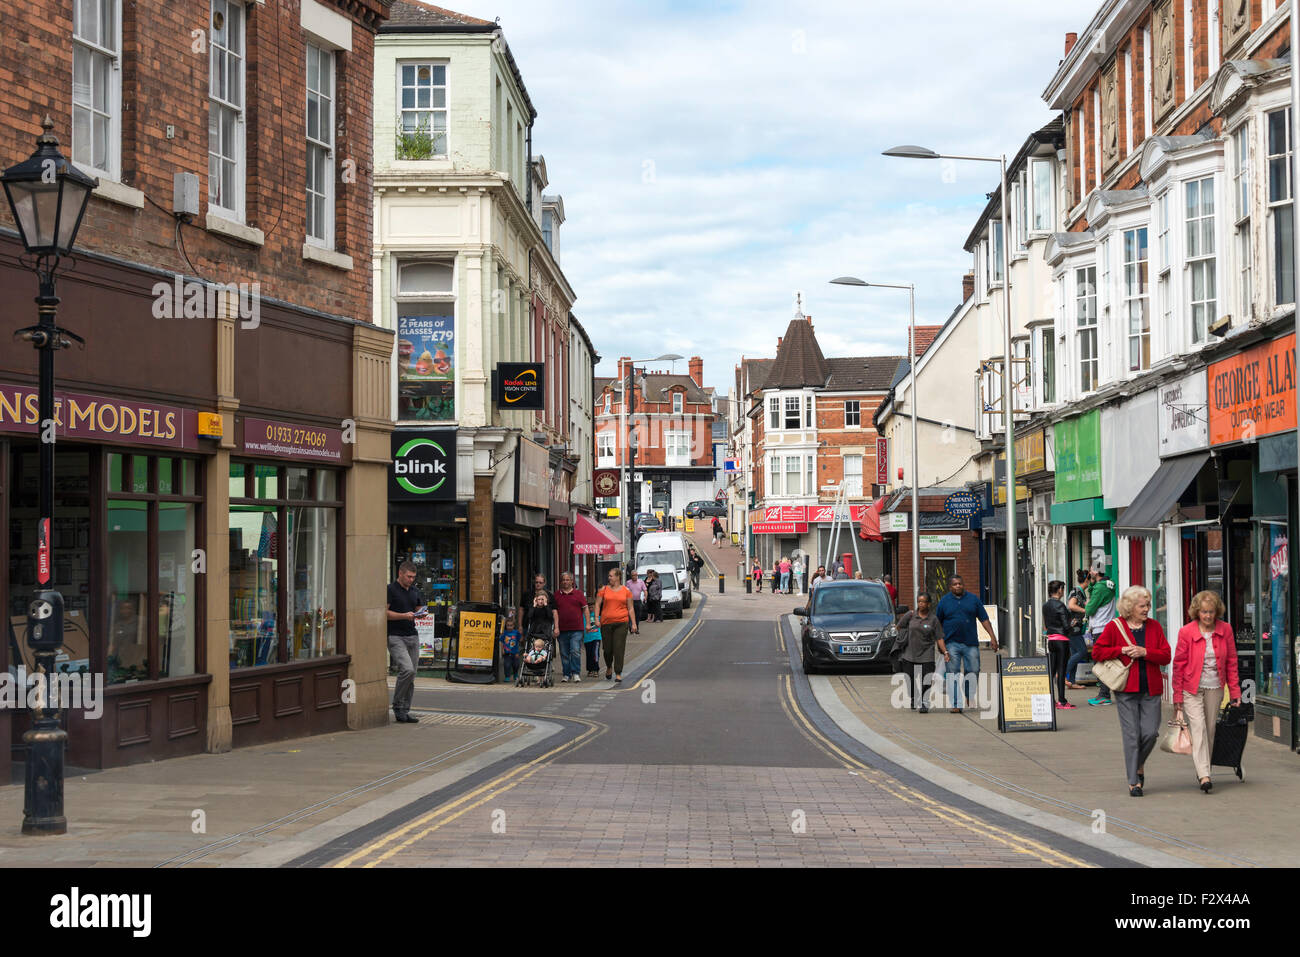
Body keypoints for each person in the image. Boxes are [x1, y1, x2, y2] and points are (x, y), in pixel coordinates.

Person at [1092, 585, 1171, 797]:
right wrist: (1121, 650)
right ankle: (1133, 781)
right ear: (1130, 607)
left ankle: (1138, 764)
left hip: (1151, 688)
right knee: (1132, 735)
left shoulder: (1154, 627)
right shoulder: (1114, 627)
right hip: (1126, 689)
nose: (1147, 609)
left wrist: (1146, 652)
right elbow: (1097, 652)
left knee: (1150, 733)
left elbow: (1166, 656)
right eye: (1142, 606)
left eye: (1148, 605)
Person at [1173, 591, 1242, 793]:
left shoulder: (1225, 629)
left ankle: (1204, 768)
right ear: (1197, 612)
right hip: (1191, 687)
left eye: (1211, 612)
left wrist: (1235, 692)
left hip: (1215, 686)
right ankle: (1204, 774)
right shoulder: (1186, 632)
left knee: (1210, 729)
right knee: (1198, 728)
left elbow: (1232, 662)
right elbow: (1178, 665)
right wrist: (1177, 696)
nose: (1208, 616)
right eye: (1204, 612)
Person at [934, 574, 997, 713]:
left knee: (973, 670)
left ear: (963, 585)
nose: (958, 586)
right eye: (955, 584)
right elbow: (937, 624)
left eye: (960, 584)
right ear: (950, 587)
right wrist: (940, 644)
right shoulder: (944, 602)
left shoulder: (973, 600)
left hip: (970, 643)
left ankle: (969, 694)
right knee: (952, 673)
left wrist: (992, 637)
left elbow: (984, 619)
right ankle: (956, 703)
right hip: (951, 643)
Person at [385, 561, 424, 723]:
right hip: (395, 635)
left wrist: (421, 614)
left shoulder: (415, 590)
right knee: (407, 670)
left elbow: (419, 608)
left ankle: (405, 710)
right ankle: (397, 705)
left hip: (412, 635)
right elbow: (384, 613)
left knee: (412, 674)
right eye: (409, 577)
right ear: (400, 573)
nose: (411, 580)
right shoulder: (390, 589)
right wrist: (404, 615)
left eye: (413, 577)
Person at [896, 593, 948, 713]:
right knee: (910, 679)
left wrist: (945, 652)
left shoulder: (933, 619)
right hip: (909, 653)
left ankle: (924, 702)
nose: (921, 604)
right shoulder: (910, 615)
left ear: (928, 604)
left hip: (927, 653)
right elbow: (899, 627)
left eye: (923, 602)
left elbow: (939, 637)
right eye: (919, 601)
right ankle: (914, 698)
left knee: (927, 679)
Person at [594, 568, 638, 683]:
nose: (609, 578)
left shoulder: (626, 591)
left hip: (621, 623)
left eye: (611, 576)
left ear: (618, 577)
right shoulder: (603, 590)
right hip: (606, 623)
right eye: (609, 576)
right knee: (607, 649)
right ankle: (609, 666)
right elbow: (598, 604)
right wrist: (596, 619)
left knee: (619, 648)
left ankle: (618, 672)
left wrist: (633, 623)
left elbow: (631, 608)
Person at [1085, 565, 1119, 707]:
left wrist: (1087, 604)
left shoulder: (1100, 587)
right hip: (1106, 627)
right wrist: (1092, 584)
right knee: (1103, 661)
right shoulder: (1108, 584)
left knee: (1101, 662)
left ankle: (1104, 695)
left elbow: (1089, 609)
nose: (1089, 571)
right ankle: (1103, 693)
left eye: (1092, 569)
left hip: (1100, 629)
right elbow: (1094, 595)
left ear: (1097, 572)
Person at [1043, 580, 1076, 709]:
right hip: (1062, 640)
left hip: (1051, 640)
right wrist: (1072, 624)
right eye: (1062, 589)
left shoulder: (1045, 605)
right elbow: (1066, 626)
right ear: (1060, 590)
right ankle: (1062, 701)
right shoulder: (1060, 606)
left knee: (1051, 671)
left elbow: (1046, 624)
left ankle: (1049, 700)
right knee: (1061, 671)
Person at [553, 571, 588, 683]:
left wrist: (588, 623)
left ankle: (576, 673)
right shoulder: (557, 595)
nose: (565, 582)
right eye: (563, 580)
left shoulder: (579, 594)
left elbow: (585, 608)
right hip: (562, 629)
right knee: (564, 653)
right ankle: (566, 674)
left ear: (572, 581)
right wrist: (556, 627)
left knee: (575, 651)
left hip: (577, 629)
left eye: (567, 579)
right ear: (561, 582)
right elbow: (554, 612)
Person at [1065, 569, 1091, 691]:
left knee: (1075, 653)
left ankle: (1072, 681)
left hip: (1077, 628)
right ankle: (1064, 674)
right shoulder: (1076, 591)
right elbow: (1071, 605)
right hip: (1073, 628)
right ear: (1087, 580)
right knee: (1082, 652)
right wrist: (1086, 610)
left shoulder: (1081, 592)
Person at [519, 574, 558, 647]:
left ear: (544, 583)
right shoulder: (526, 594)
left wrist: (556, 627)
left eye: (540, 582)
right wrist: (520, 625)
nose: (538, 584)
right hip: (529, 626)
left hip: (545, 629)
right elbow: (521, 610)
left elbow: (554, 613)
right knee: (527, 647)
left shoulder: (550, 595)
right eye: (536, 582)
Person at [500, 611, 523, 684]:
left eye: (511, 625)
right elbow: (501, 641)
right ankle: (507, 676)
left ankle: (515, 674)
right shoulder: (504, 633)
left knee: (516, 665)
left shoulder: (516, 632)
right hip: (507, 653)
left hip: (515, 652)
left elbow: (520, 640)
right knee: (507, 665)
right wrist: (502, 650)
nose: (509, 627)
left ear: (513, 626)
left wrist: (521, 633)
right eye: (508, 625)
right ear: (506, 626)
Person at [583, 608, 603, 677]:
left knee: (595, 653)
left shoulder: (597, 615)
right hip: (587, 638)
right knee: (589, 654)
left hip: (596, 637)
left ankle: (596, 669)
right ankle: (590, 670)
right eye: (589, 606)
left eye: (592, 606)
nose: (591, 608)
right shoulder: (584, 615)